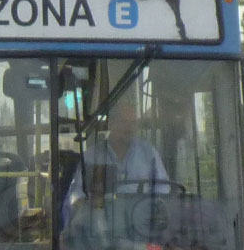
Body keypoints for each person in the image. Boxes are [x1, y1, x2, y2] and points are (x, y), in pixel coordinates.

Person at [62, 96, 169, 225]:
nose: (129, 128)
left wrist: (150, 209)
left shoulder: (149, 153)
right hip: (101, 229)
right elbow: (75, 193)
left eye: (133, 122)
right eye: (124, 122)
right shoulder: (91, 156)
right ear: (111, 123)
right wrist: (89, 210)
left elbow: (163, 190)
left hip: (141, 227)